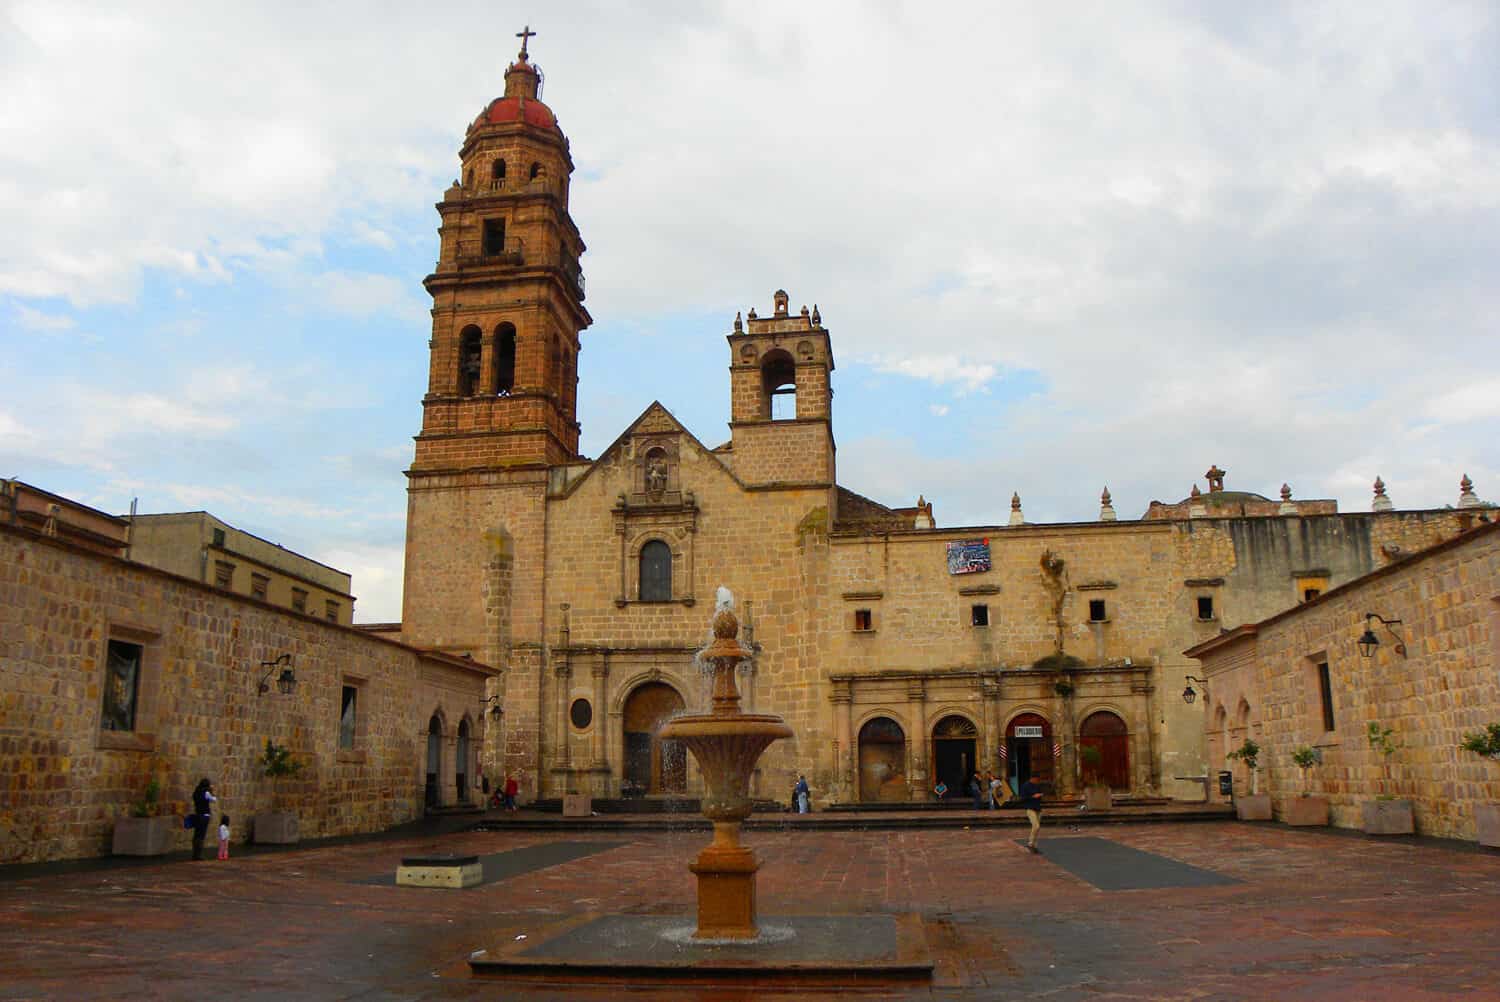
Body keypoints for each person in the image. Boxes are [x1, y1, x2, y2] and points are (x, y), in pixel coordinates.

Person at [190, 779, 216, 861]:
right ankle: (199, 854)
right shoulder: (206, 792)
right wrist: (212, 791)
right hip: (204, 815)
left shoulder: (196, 792)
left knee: (196, 834)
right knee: (201, 835)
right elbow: (214, 799)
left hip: (197, 814)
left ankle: (195, 853)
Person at [1018, 775, 1046, 853]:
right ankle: (1030, 843)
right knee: (1036, 826)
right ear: (1032, 779)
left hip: (1038, 808)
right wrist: (1033, 796)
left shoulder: (1037, 786)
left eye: (1038, 780)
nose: (1037, 781)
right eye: (1037, 780)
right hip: (1030, 808)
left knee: (1036, 828)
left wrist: (1040, 795)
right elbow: (1022, 798)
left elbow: (1040, 794)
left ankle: (1033, 845)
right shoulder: (1025, 786)